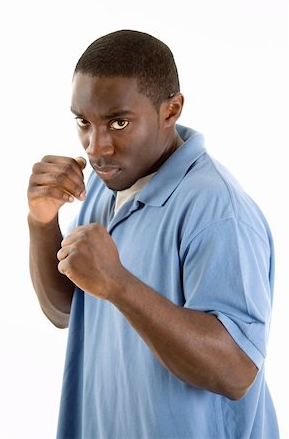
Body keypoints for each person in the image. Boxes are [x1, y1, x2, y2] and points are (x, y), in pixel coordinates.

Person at [27, 30, 279, 439]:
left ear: (171, 110)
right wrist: (42, 223)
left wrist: (119, 285)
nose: (96, 148)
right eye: (83, 123)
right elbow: (66, 313)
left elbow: (236, 372)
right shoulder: (104, 188)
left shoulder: (218, 210)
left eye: (118, 122)